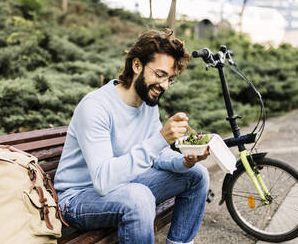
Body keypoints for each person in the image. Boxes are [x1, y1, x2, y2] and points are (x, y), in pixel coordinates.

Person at [54, 29, 210, 244]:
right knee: (139, 197)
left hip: (124, 185)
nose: (164, 85)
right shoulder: (96, 107)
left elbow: (158, 155)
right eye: (160, 74)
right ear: (137, 66)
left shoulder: (147, 103)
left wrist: (183, 161)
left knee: (197, 175)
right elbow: (103, 180)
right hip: (77, 199)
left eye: (170, 79)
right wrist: (161, 138)